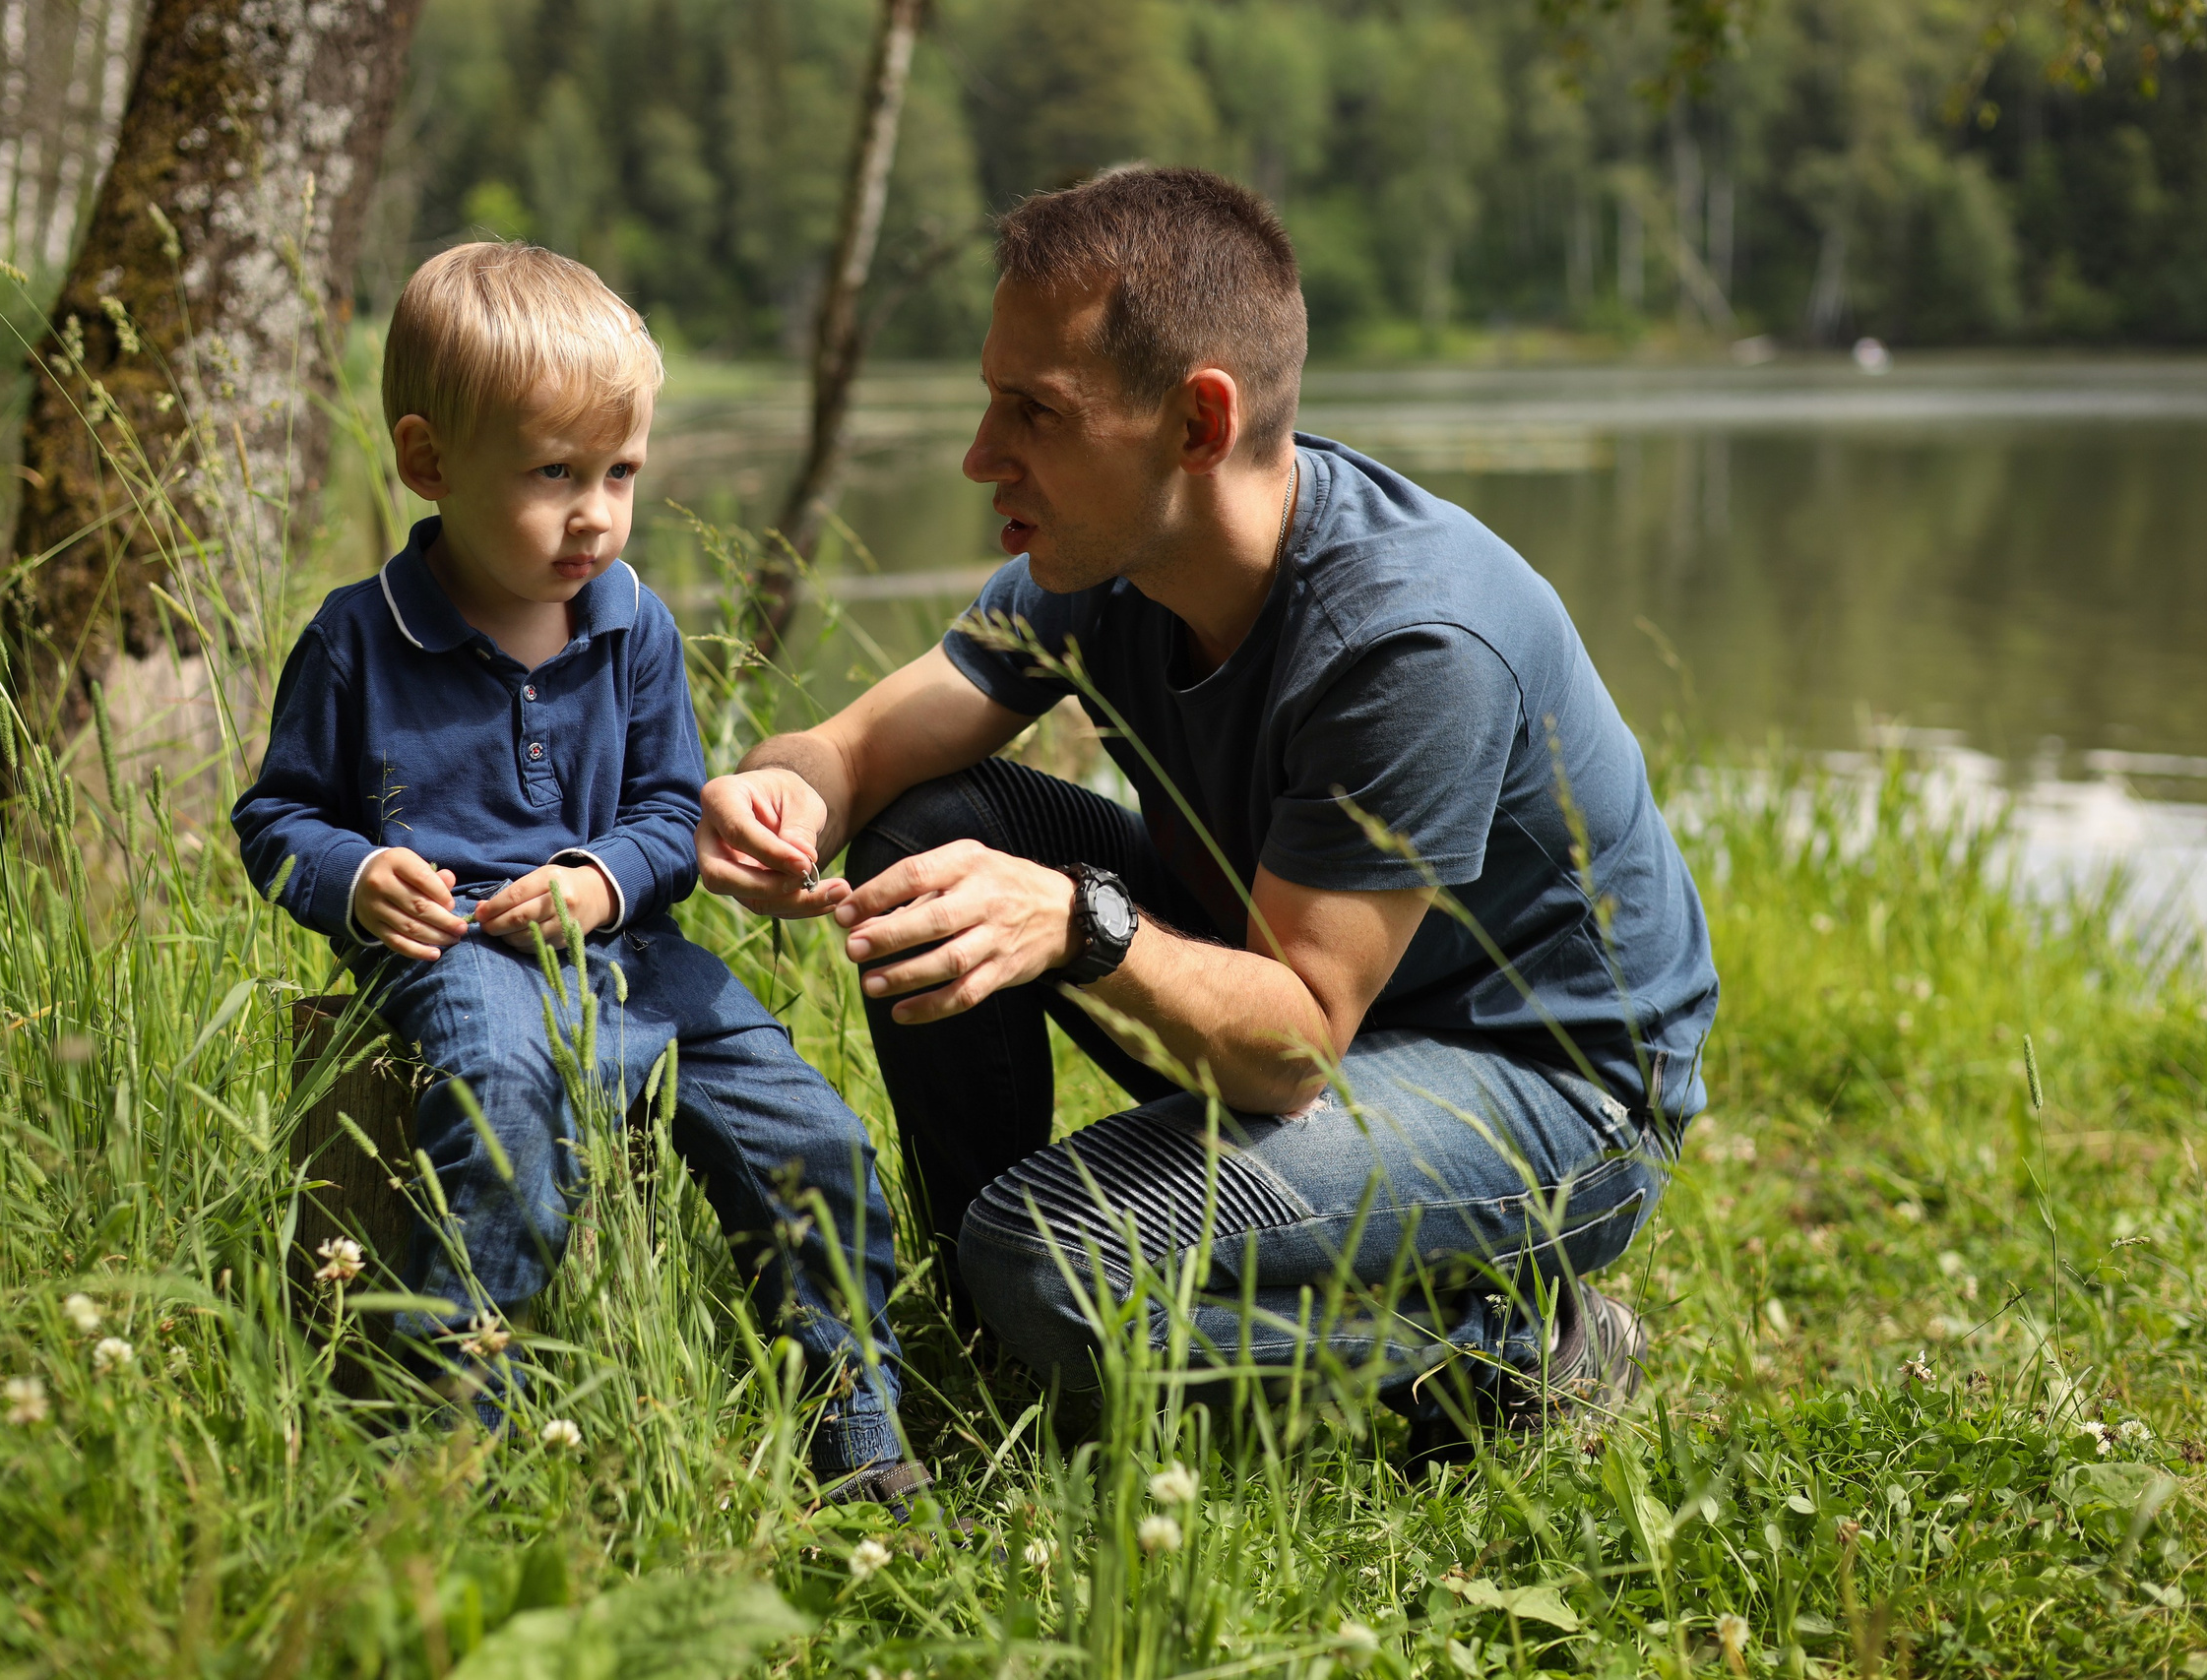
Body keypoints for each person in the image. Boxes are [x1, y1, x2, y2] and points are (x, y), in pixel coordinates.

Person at [697, 167, 1718, 1451]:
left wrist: (1079, 922)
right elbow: (859, 749)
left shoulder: (1411, 641)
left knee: (1052, 1256)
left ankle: (1516, 1352)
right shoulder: (1113, 560)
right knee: (930, 818)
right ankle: (983, 1293)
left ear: (1196, 423)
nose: (978, 456)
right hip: (1311, 991)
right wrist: (791, 789)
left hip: (1547, 1080)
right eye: (985, 399)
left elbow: (1295, 1042)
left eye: (1034, 411)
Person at [231, 242, 922, 1508]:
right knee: (502, 1095)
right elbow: (276, 819)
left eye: (620, 474)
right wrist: (354, 873)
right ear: (430, 462)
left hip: (637, 957)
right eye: (555, 474)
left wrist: (607, 882)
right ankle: (454, 1432)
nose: (596, 513)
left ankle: (854, 1417)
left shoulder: (632, 623)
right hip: (458, 950)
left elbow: (671, 809)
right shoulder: (357, 639)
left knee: (811, 1131)